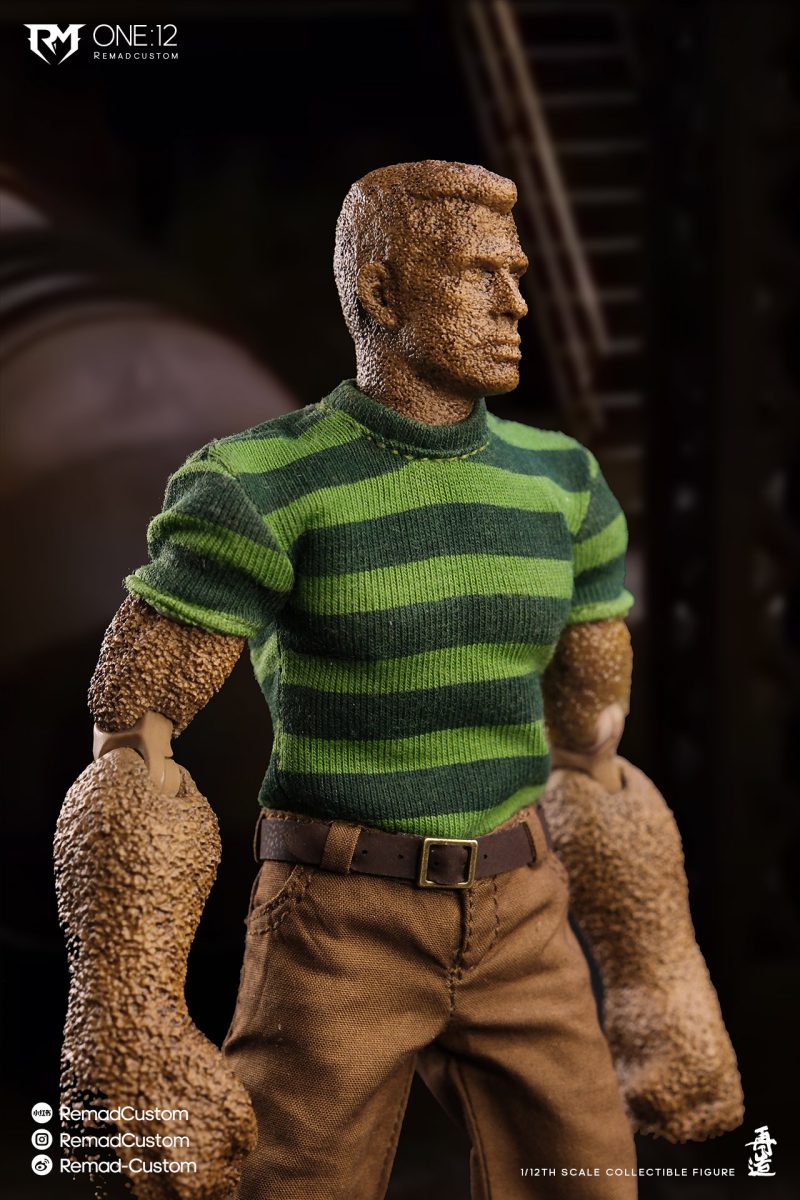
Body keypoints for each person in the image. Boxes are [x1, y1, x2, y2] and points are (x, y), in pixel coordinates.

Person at [57, 161, 742, 1200]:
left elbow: (590, 752)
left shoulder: (562, 486)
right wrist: (129, 1012)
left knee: (589, 1183)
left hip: (523, 913)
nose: (515, 303)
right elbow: (132, 731)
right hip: (339, 926)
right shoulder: (258, 483)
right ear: (381, 292)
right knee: (290, 1186)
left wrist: (659, 976)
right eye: (477, 273)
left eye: (517, 274)